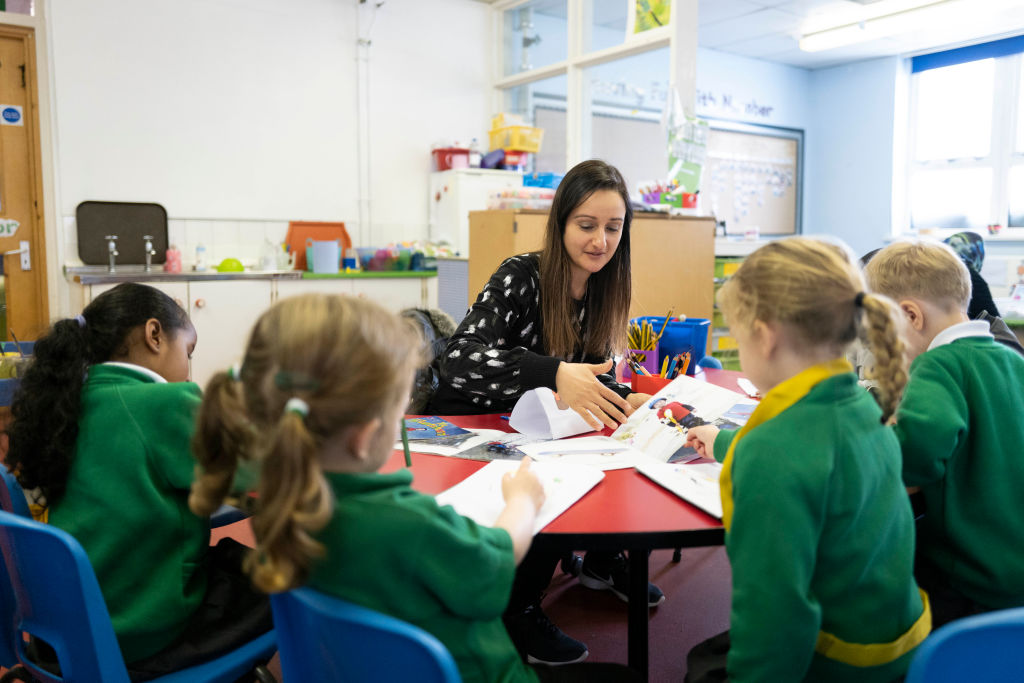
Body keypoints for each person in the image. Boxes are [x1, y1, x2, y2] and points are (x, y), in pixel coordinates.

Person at [188, 293, 640, 683]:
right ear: (367, 434)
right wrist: (522, 503)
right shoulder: (410, 524)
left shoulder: (280, 500)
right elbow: (493, 572)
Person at [427, 159, 663, 666]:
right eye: (586, 225)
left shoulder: (604, 287)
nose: (600, 240)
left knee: (620, 440)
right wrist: (551, 372)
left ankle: (602, 560)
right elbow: (458, 359)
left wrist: (626, 398)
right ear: (560, 224)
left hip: (534, 424)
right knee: (554, 479)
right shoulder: (520, 276)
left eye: (613, 227)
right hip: (471, 420)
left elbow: (587, 375)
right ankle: (518, 610)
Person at [684, 238, 930, 682]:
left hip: (836, 663)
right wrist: (725, 444)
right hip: (899, 648)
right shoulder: (864, 408)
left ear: (765, 334)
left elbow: (775, 619)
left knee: (702, 663)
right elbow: (812, 456)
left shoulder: (773, 451)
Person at [5, 283, 271, 680]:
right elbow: (262, 476)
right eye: (189, 352)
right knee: (286, 577)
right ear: (154, 335)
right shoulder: (165, 403)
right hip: (143, 633)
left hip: (69, 627)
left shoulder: (66, 406)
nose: (189, 369)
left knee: (228, 557)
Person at [864, 239, 1024, 627]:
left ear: (910, 316)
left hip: (968, 577)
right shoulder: (1010, 359)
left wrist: (884, 435)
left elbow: (914, 457)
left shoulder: (938, 366)